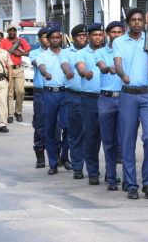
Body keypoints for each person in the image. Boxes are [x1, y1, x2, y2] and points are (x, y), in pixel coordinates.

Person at [113, 9, 148, 200]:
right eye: (133, 20)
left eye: (140, 20)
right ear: (128, 23)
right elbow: (117, 64)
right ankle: (131, 183)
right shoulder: (119, 42)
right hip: (129, 95)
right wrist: (122, 74)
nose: (137, 23)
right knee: (128, 140)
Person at [95, 21, 125, 191]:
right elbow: (102, 67)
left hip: (125, 97)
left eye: (119, 32)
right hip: (106, 99)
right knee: (109, 141)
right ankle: (111, 176)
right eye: (113, 32)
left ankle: (127, 178)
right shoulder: (100, 52)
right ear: (108, 34)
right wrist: (109, 68)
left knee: (125, 141)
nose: (116, 35)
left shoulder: (128, 51)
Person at [37, 26, 70, 175]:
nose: (55, 40)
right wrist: (45, 73)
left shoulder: (66, 54)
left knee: (68, 126)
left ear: (61, 38)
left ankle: (64, 156)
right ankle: (53, 163)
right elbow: (41, 67)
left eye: (58, 37)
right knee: (49, 129)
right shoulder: (43, 55)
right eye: (52, 38)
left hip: (65, 93)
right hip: (49, 94)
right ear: (48, 40)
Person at [75, 23, 105, 185]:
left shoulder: (110, 52)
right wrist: (84, 72)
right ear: (88, 36)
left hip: (109, 99)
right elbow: (80, 68)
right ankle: (93, 172)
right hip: (90, 100)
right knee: (91, 137)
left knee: (111, 138)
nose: (98, 37)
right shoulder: (82, 53)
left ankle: (111, 173)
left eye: (100, 34)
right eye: (94, 35)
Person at [60, 24, 88, 180]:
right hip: (73, 97)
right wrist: (68, 71)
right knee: (75, 133)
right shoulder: (66, 52)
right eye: (79, 36)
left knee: (91, 134)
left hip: (91, 97)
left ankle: (92, 168)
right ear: (73, 38)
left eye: (85, 35)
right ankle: (77, 167)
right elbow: (64, 63)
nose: (82, 38)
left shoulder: (93, 52)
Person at [1, 24, 31, 123]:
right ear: (8, 31)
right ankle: (9, 114)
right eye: (10, 30)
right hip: (8, 69)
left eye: (14, 30)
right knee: (9, 93)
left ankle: (18, 112)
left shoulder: (21, 41)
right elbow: (0, 53)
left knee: (20, 91)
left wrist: (20, 53)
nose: (12, 32)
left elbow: (30, 51)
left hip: (18, 69)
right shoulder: (3, 42)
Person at [29, 27, 50, 168]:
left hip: (57, 92)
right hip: (40, 92)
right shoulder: (34, 53)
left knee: (58, 125)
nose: (48, 40)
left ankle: (58, 154)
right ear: (40, 39)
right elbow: (37, 63)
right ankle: (40, 153)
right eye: (45, 37)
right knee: (40, 125)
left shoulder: (61, 53)